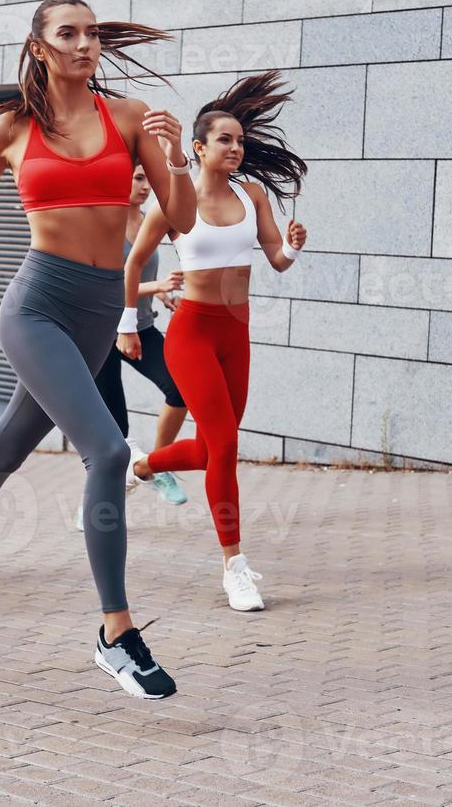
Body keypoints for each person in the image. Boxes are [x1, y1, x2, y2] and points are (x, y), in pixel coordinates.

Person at [0, 0, 197, 700]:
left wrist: (179, 155)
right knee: (110, 450)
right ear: (38, 46)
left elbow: (179, 216)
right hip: (36, 305)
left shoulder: (127, 119)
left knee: (5, 449)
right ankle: (116, 634)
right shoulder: (6, 129)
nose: (84, 43)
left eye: (92, 33)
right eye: (68, 33)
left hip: (99, 310)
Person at [121, 72, 307, 613]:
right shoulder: (174, 200)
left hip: (236, 333)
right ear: (199, 148)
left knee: (210, 449)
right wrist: (128, 325)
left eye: (240, 140)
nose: (236, 147)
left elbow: (275, 259)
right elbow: (133, 264)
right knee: (224, 448)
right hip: (193, 333)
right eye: (224, 139)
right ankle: (234, 566)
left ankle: (140, 467)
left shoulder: (253, 195)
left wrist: (292, 247)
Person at [79, 163, 189, 531]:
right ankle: (94, 504)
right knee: (115, 436)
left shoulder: (149, 221)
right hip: (101, 334)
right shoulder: (103, 225)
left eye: (146, 179)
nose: (144, 186)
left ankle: (157, 465)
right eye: (137, 178)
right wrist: (155, 287)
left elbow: (142, 273)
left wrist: (164, 295)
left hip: (141, 327)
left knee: (180, 389)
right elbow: (104, 286)